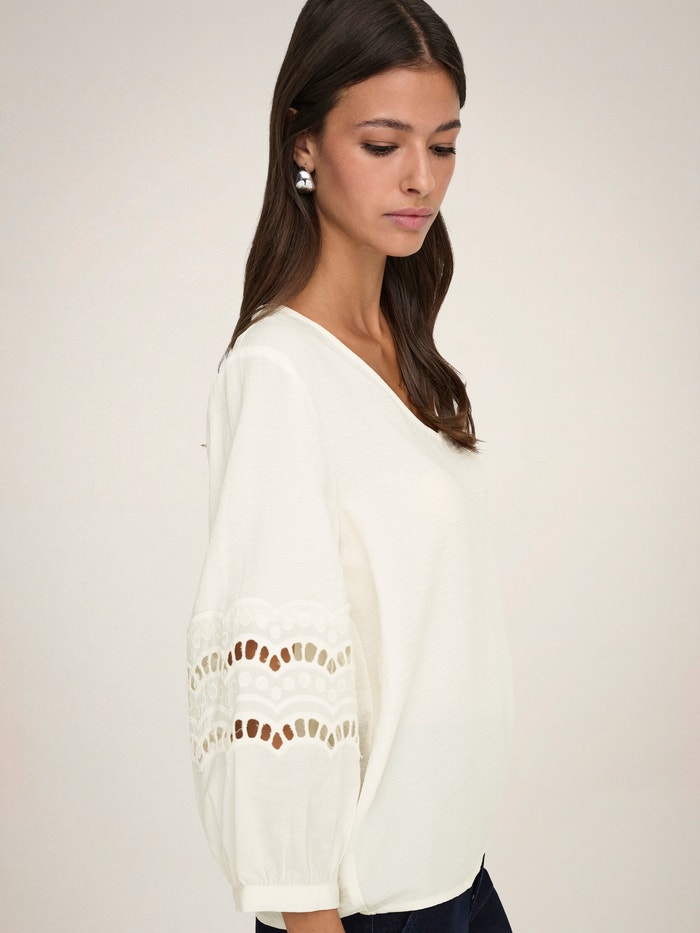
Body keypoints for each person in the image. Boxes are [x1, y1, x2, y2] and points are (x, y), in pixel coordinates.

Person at [186, 1, 514, 930]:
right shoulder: (280, 371)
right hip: (368, 909)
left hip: (454, 874)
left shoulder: (406, 357)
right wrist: (308, 916)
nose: (422, 179)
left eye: (444, 146)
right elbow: (272, 684)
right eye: (382, 144)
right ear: (304, 142)